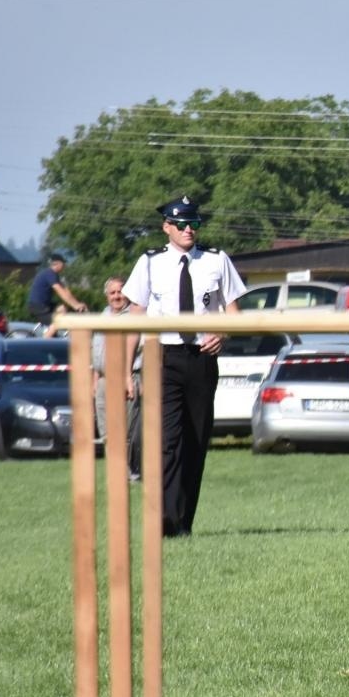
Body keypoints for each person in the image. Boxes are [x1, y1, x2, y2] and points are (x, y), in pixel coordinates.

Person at [123, 196, 246, 537]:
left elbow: (234, 314)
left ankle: (183, 523)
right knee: (167, 442)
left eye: (194, 223)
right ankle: (165, 520)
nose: (189, 229)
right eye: (181, 224)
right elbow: (134, 319)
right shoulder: (149, 263)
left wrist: (222, 333)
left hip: (202, 360)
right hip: (164, 357)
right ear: (167, 227)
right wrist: (125, 371)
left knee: (195, 441)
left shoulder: (216, 260)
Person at [92, 276, 143, 481]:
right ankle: (115, 471)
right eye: (112, 293)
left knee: (125, 430)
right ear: (106, 296)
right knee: (106, 431)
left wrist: (128, 377)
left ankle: (129, 471)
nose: (117, 296)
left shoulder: (133, 317)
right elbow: (95, 351)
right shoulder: (102, 318)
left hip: (125, 378)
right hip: (103, 380)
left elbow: (139, 349)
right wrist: (94, 379)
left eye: (120, 292)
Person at [26, 253, 86, 326]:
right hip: (38, 306)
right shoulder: (50, 274)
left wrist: (77, 304)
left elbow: (66, 291)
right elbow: (60, 292)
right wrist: (75, 305)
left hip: (45, 305)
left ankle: (55, 335)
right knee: (57, 322)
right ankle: (48, 336)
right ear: (57, 264)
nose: (64, 266)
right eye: (63, 264)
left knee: (62, 308)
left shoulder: (54, 275)